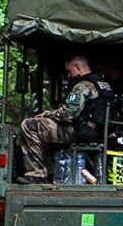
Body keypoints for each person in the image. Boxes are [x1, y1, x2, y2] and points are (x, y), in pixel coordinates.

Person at [17, 55, 114, 184]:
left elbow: (68, 114)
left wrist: (48, 115)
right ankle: (51, 173)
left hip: (80, 132)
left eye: (69, 71)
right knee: (47, 131)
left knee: (29, 125)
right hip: (98, 132)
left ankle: (37, 174)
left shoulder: (84, 85)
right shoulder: (104, 84)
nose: (68, 76)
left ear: (77, 67)